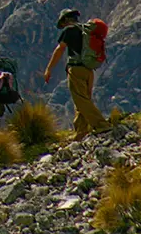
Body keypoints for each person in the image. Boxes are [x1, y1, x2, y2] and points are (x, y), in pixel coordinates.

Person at [44, 9, 111, 140]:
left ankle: (102, 125)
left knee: (81, 100)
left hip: (76, 69)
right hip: (89, 70)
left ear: (66, 20)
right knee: (82, 100)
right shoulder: (86, 31)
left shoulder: (69, 31)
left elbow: (60, 49)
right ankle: (81, 131)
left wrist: (49, 69)